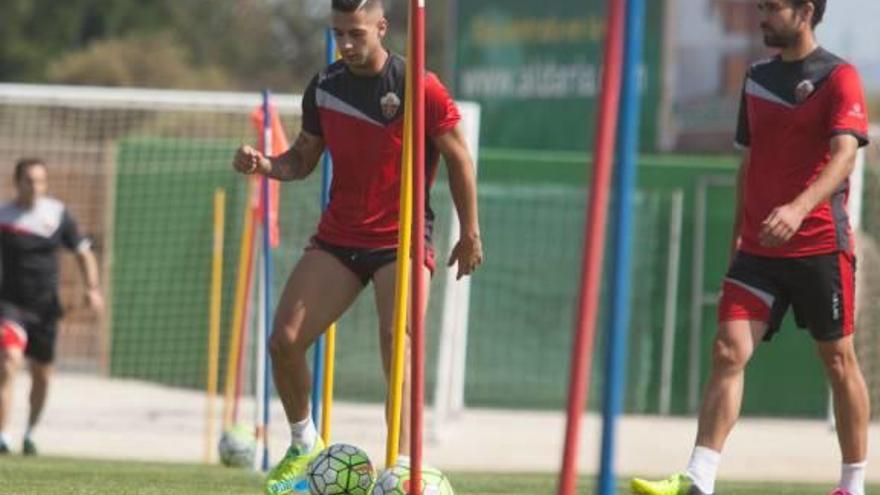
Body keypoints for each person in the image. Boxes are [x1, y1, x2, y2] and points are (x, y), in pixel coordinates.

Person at [231, 0, 482, 493]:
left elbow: (458, 159)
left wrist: (470, 231)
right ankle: (305, 444)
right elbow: (302, 159)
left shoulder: (419, 86)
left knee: (398, 343)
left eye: (356, 33)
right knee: (283, 340)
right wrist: (265, 165)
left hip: (401, 239)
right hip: (338, 236)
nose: (345, 44)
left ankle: (405, 466)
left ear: (382, 28)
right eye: (338, 33)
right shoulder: (325, 86)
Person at [631, 1, 871, 494]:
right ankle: (699, 479)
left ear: (805, 11)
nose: (762, 14)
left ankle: (852, 484)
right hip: (758, 252)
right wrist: (736, 241)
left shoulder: (839, 78)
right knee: (727, 351)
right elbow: (749, 164)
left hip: (820, 245)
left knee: (838, 360)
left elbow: (844, 156)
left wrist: (798, 209)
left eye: (771, 6)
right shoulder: (756, 77)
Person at [0, 158, 104, 456]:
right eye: (29, 180)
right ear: (16, 182)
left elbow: (84, 254)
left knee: (42, 374)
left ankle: (30, 433)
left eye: (40, 181)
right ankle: (3, 436)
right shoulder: (4, 215)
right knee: (9, 359)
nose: (35, 186)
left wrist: (92, 289)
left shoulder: (57, 214)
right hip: (9, 305)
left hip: (46, 308)